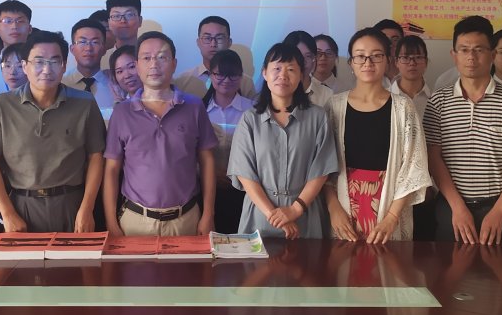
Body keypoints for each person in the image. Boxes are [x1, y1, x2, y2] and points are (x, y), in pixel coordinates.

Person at [0, 30, 106, 233]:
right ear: (25, 66)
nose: (46, 69)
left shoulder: (84, 103)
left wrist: (87, 209)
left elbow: (96, 158)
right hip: (21, 205)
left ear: (63, 66)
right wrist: (7, 213)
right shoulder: (2, 105)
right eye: (38, 62)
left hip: (72, 203)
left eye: (54, 61)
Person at [424, 16, 502, 245]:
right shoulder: (438, 101)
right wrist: (457, 208)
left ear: (492, 54)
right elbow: (433, 157)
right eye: (464, 50)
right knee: (451, 267)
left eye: (479, 49)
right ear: (454, 55)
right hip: (452, 208)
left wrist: (500, 211)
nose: (471, 57)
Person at [103, 32, 218, 237]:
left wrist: (208, 214)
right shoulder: (122, 113)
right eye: (146, 58)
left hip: (186, 219)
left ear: (174, 64)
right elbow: (111, 169)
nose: (154, 64)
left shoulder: (194, 106)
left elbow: (207, 161)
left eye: (162, 57)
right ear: (137, 65)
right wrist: (111, 222)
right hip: (135, 221)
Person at [324, 28, 432, 243]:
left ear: (388, 61)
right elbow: (323, 167)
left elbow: (413, 165)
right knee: (344, 263)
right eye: (360, 56)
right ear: (351, 63)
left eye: (376, 55)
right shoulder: (334, 106)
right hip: (344, 208)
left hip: (390, 207)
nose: (368, 62)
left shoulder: (403, 108)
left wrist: (392, 217)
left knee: (389, 263)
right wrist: (334, 209)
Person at [228, 43, 337, 239]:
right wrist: (274, 215)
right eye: (277, 68)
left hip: (305, 214)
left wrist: (295, 210)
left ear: (301, 75)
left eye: (291, 69)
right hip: (260, 216)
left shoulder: (318, 117)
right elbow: (245, 173)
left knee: (309, 259)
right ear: (264, 73)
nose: (283, 75)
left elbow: (321, 170)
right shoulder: (250, 119)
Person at [201, 49, 256, 234]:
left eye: (232, 75)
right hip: (205, 189)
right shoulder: (199, 110)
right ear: (211, 75)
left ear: (241, 77)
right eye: (220, 74)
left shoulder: (253, 110)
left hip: (244, 190)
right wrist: (211, 173)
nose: (226, 80)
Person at [174, 16, 256, 99]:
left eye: (219, 38)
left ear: (229, 42)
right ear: (198, 42)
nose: (213, 44)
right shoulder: (182, 81)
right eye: (207, 38)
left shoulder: (245, 83)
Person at [62, 18, 115, 115]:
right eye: (82, 42)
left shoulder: (115, 85)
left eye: (95, 42)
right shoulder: (60, 83)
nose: (88, 48)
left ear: (104, 49)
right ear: (72, 49)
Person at [282, 30, 332, 109]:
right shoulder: (277, 89)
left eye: (308, 56)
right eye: (298, 56)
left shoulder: (326, 94)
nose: (303, 61)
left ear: (314, 59)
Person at [391, 35, 431, 114]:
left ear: (426, 62)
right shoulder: (384, 98)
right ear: (396, 62)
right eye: (405, 57)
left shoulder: (434, 99)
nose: (412, 63)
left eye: (418, 57)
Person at [373, 19, 404, 84]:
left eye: (395, 40)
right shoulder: (367, 71)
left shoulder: (412, 69)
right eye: (385, 39)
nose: (390, 44)